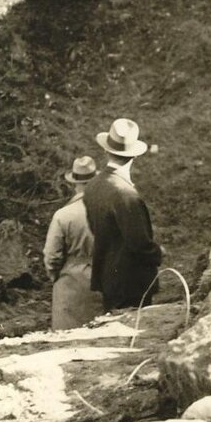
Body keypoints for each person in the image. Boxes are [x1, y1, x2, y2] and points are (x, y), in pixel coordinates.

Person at [84, 118, 162, 311]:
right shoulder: (125, 194)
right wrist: (158, 253)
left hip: (107, 278)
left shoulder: (93, 185)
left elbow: (95, 229)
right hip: (131, 284)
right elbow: (139, 243)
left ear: (106, 150)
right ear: (134, 155)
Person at [43, 156, 105, 330]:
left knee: (68, 336)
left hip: (71, 282)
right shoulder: (110, 210)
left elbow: (52, 255)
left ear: (74, 184)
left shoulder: (63, 215)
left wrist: (55, 276)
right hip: (104, 278)